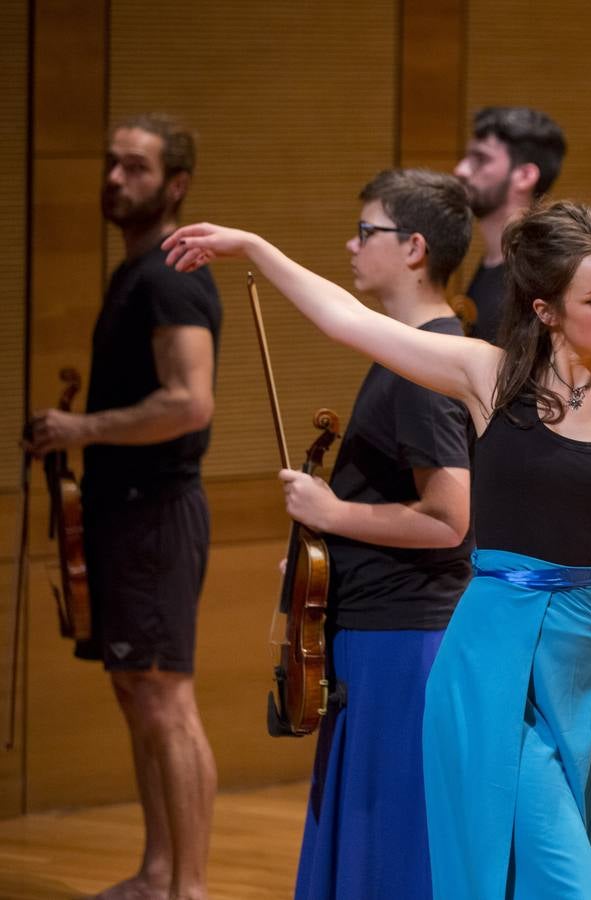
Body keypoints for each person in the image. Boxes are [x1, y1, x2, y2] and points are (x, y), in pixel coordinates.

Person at [161, 200, 591, 899]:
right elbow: (350, 322)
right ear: (546, 310)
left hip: (590, 654)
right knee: (562, 882)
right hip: (488, 657)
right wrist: (254, 243)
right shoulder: (490, 381)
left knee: (562, 863)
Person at [26, 114, 220, 900]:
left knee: (166, 697)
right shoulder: (134, 271)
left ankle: (191, 889)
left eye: (134, 167)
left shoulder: (172, 275)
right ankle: (158, 873)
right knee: (135, 689)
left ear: (175, 185)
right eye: (110, 164)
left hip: (156, 512)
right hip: (120, 511)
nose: (114, 178)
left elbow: (188, 402)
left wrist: (81, 427)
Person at [290, 169, 474, 899]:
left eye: (366, 231)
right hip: (383, 629)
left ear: (414, 249)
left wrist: (331, 513)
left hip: (405, 638)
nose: (352, 244)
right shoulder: (412, 354)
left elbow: (449, 516)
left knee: (392, 847)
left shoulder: (427, 369)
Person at [453, 106, 566, 344]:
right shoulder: (496, 259)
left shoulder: (534, 275)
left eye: (480, 159)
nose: (461, 169)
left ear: (524, 176)